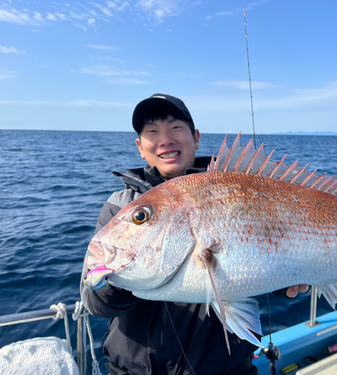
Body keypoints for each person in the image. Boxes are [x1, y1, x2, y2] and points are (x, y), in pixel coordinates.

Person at [80, 93, 308, 375]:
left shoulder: (240, 187)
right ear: (140, 146)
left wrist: (282, 279)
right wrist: (114, 276)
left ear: (196, 137)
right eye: (152, 131)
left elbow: (261, 260)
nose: (165, 139)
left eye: (176, 127)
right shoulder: (120, 206)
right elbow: (94, 302)